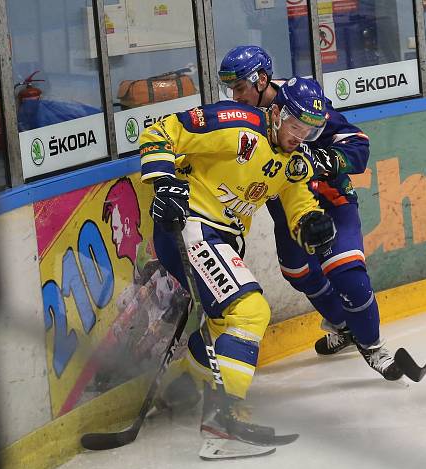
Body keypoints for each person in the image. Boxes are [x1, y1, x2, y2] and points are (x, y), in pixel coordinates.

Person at [139, 77, 336, 443]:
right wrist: (165, 183)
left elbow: (298, 204)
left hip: (222, 239)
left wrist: (310, 222)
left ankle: (178, 394)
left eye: (310, 132)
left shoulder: (294, 161)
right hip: (189, 226)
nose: (301, 137)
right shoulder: (236, 123)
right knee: (250, 312)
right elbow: (161, 131)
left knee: (220, 327)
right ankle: (223, 419)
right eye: (296, 126)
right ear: (277, 113)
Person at [218, 45, 403, 380]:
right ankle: (345, 326)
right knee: (297, 272)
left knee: (347, 274)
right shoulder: (242, 120)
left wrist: (321, 161)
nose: (236, 95)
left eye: (241, 87)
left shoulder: (299, 99)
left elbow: (357, 145)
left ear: (261, 79)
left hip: (330, 203)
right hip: (288, 215)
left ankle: (372, 344)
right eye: (231, 89)